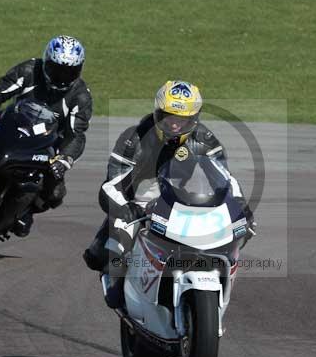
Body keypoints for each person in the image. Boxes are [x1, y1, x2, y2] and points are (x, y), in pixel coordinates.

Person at [82, 80, 254, 308]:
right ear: (157, 113)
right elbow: (110, 186)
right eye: (169, 118)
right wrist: (126, 208)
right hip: (136, 200)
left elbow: (225, 180)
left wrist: (241, 207)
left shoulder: (206, 140)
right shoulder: (133, 138)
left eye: (183, 120)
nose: (174, 126)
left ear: (195, 119)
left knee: (244, 229)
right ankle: (126, 290)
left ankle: (215, 282)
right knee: (99, 257)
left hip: (182, 199)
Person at [0, 35, 93, 237]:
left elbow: (76, 134)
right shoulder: (29, 70)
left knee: (55, 192)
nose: (61, 76)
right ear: (46, 62)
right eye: (56, 69)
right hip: (11, 125)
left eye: (69, 71)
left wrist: (64, 160)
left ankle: (24, 211)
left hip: (45, 144)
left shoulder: (80, 96)